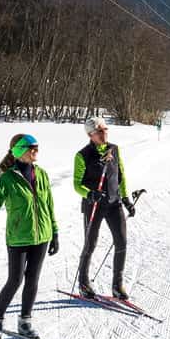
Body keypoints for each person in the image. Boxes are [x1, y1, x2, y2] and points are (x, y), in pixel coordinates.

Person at [0, 133, 59, 339]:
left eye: (37, 147)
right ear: (20, 151)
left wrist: (55, 232)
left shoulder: (42, 174)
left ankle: (25, 322)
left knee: (33, 280)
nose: (35, 151)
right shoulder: (8, 178)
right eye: (32, 148)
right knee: (15, 280)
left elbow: (49, 205)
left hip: (42, 236)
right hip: (19, 237)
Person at [73, 117, 134, 299]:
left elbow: (121, 175)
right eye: (100, 131)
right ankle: (84, 283)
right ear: (91, 134)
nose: (104, 133)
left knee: (121, 241)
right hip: (94, 205)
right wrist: (90, 194)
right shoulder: (82, 155)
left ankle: (117, 285)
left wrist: (126, 198)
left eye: (106, 129)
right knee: (90, 244)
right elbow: (77, 184)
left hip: (114, 203)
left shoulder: (114, 149)